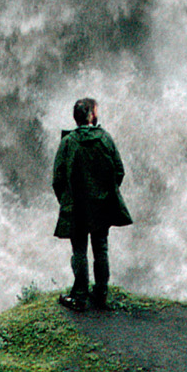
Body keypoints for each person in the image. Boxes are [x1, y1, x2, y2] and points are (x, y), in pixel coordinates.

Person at [52, 95, 131, 311]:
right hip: (101, 205)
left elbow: (57, 179)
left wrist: (66, 201)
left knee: (79, 250)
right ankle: (101, 293)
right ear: (91, 115)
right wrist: (105, 194)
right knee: (101, 248)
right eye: (96, 110)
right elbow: (119, 171)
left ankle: (79, 297)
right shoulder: (105, 139)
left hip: (76, 207)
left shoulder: (68, 143)